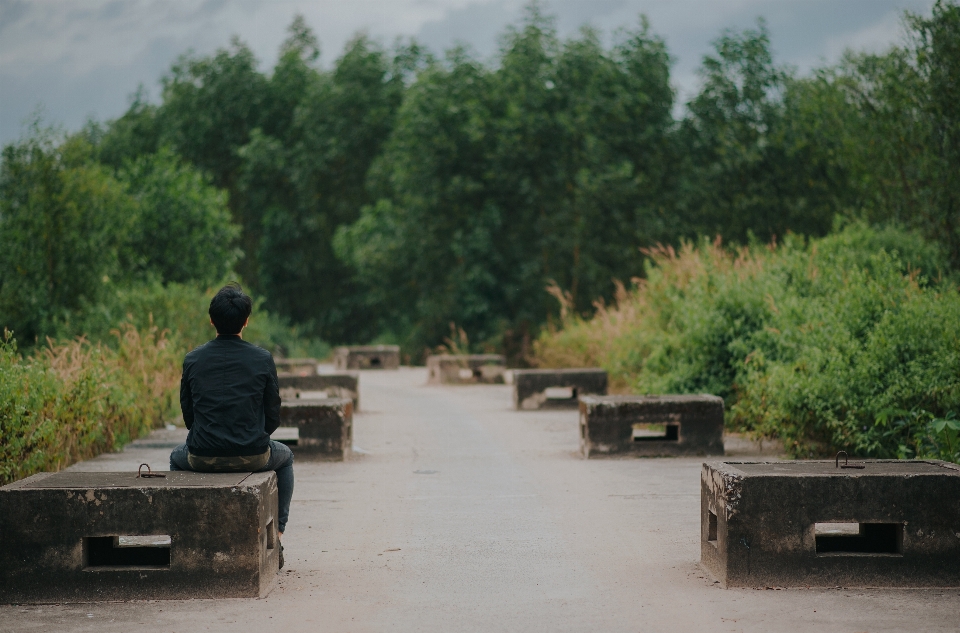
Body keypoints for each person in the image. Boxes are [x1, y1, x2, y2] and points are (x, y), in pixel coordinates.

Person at [169, 282, 293, 568]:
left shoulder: (192, 359)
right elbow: (273, 415)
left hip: (201, 455)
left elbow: (189, 416)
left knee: (176, 459)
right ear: (246, 321)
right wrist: (254, 437)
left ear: (211, 320)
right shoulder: (263, 359)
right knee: (285, 459)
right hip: (253, 453)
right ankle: (278, 533)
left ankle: (185, 535)